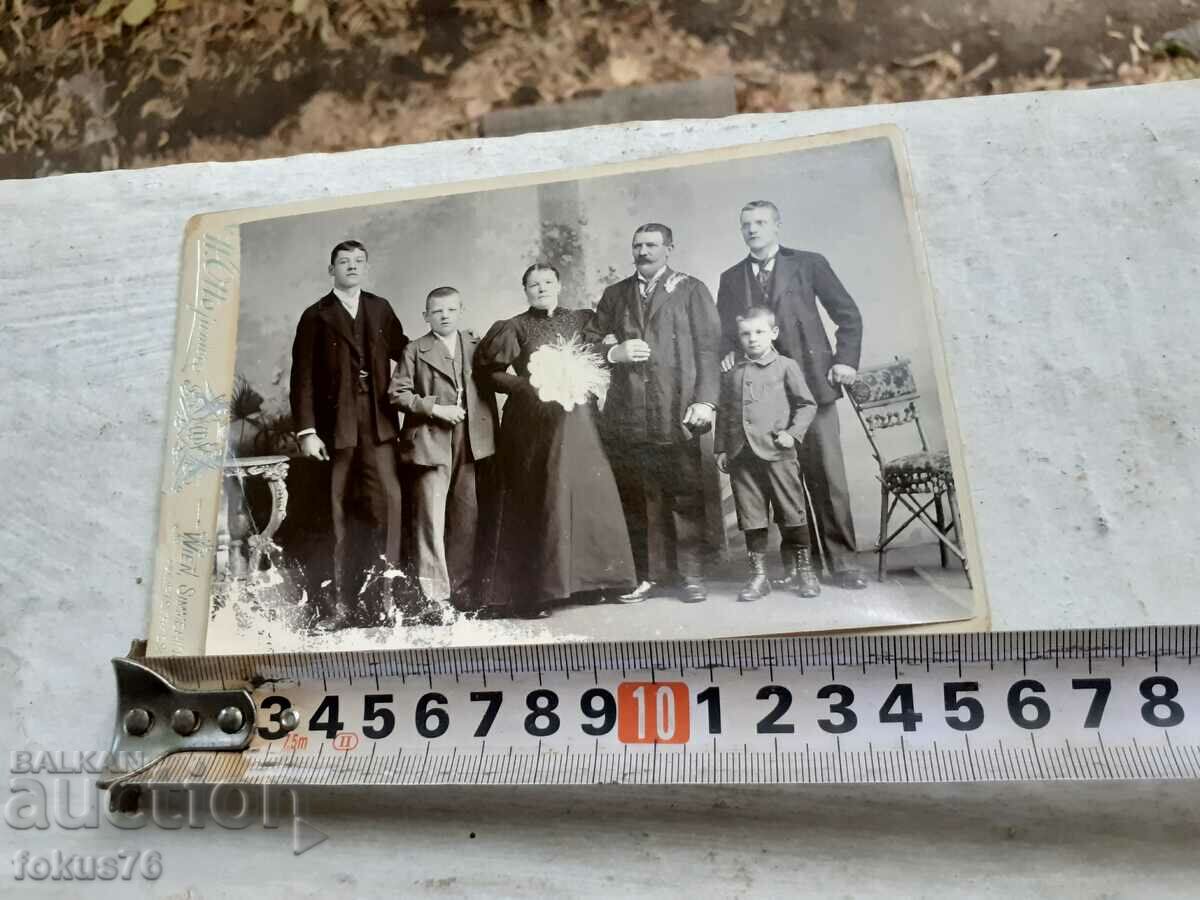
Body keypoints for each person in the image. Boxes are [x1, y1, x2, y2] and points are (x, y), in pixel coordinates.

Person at [716, 201, 868, 591]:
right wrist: (729, 351)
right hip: (762, 400)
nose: (753, 229)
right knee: (777, 480)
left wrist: (846, 360)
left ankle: (843, 563)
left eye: (761, 222)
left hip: (811, 389)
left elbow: (848, 314)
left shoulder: (809, 263)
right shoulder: (731, 278)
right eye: (746, 224)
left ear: (778, 226)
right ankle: (800, 566)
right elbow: (725, 334)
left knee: (826, 477)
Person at [473, 263, 635, 618]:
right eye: (533, 284)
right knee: (544, 496)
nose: (541, 288)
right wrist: (528, 388)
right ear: (525, 290)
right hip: (534, 425)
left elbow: (600, 356)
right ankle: (541, 589)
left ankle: (590, 582)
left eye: (547, 282)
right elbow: (488, 373)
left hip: (578, 421)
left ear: (560, 285)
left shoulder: (581, 320)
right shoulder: (514, 326)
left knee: (588, 494)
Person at [583, 224, 724, 604]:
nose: (643, 251)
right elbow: (590, 342)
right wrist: (616, 353)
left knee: (684, 492)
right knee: (637, 496)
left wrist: (705, 401)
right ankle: (647, 575)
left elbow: (710, 351)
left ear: (669, 249)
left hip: (677, 408)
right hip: (628, 414)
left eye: (651, 245)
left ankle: (691, 574)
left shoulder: (691, 289)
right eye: (637, 245)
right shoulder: (616, 294)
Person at [289, 239, 408, 628]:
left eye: (359, 261)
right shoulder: (315, 315)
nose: (352, 267)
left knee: (387, 509)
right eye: (344, 261)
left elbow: (406, 353)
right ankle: (339, 609)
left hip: (379, 426)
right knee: (336, 518)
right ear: (332, 270)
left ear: (366, 268)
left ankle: (385, 605)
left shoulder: (380, 308)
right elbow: (302, 377)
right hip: (334, 430)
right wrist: (307, 431)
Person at [389, 286, 497, 620]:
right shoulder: (414, 349)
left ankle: (461, 590)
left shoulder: (476, 345)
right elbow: (397, 394)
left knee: (467, 516)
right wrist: (435, 409)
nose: (444, 315)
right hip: (431, 440)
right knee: (430, 520)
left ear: (461, 310)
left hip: (472, 440)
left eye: (450, 309)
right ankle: (434, 596)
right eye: (437, 311)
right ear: (426, 316)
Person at [715, 306, 820, 601]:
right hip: (741, 455)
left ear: (773, 333)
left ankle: (804, 571)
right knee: (751, 516)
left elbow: (807, 404)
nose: (752, 339)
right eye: (745, 334)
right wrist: (722, 448)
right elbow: (724, 413)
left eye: (759, 332)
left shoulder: (786, 366)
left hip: (778, 451)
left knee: (791, 510)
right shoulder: (732, 372)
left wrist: (792, 433)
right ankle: (759, 577)